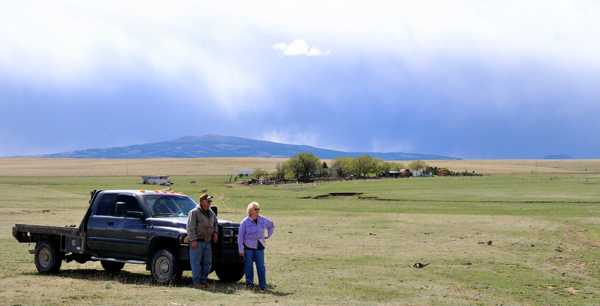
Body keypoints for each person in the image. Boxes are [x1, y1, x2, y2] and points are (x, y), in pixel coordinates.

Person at [238, 202, 275, 291]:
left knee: (261, 266)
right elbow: (240, 236)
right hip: (248, 246)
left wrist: (267, 236)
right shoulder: (245, 222)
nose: (257, 210)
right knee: (248, 266)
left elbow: (271, 225)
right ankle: (249, 284)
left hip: (260, 246)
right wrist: (241, 250)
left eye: (258, 209)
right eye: (255, 209)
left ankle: (263, 285)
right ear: (250, 211)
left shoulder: (263, 219)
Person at [187, 194, 218, 289]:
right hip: (197, 241)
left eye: (210, 201)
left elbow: (215, 223)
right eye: (208, 201)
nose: (210, 203)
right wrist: (193, 240)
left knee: (207, 262)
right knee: (196, 262)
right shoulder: (194, 212)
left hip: (207, 242)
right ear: (202, 202)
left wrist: (215, 232)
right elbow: (190, 227)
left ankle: (203, 281)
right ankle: (196, 282)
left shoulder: (211, 213)